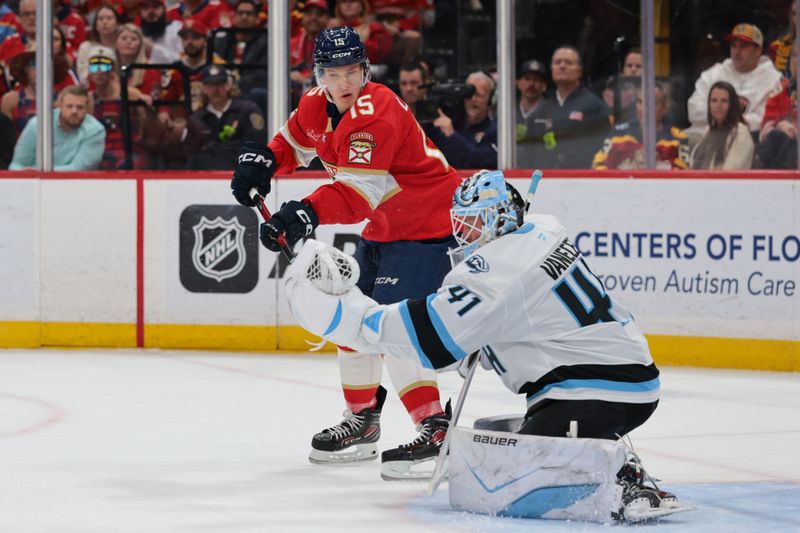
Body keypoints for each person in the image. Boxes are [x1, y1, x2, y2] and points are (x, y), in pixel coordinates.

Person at [283, 169, 684, 523]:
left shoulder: (499, 270)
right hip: (623, 374)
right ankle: (599, 446)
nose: (464, 234)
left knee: (505, 481)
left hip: (594, 389)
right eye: (462, 223)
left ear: (500, 220)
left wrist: (345, 316)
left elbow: (429, 340)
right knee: (496, 438)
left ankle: (621, 480)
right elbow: (514, 321)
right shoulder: (542, 228)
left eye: (474, 223)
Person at [229, 26, 462, 480]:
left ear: (365, 70)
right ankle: (363, 420)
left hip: (429, 224)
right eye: (333, 73)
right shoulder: (317, 103)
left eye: (352, 71)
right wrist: (260, 164)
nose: (344, 83)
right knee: (350, 316)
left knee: (393, 325)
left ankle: (434, 426)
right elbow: (291, 145)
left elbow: (359, 194)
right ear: (319, 74)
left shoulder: (379, 111)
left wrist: (304, 213)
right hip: (387, 227)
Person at [687, 23, 782, 142]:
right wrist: (726, 118)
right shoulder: (714, 73)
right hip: (703, 136)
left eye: (743, 46)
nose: (737, 51)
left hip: (745, 141)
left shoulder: (773, 79)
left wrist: (725, 119)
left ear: (758, 50)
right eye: (734, 46)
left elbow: (764, 118)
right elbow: (693, 109)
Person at [527, 45, 611, 169]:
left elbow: (602, 148)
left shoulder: (594, 106)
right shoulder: (541, 109)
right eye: (557, 62)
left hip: (581, 178)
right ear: (552, 69)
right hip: (544, 180)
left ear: (579, 71)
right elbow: (529, 151)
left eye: (568, 62)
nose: (562, 66)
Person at [183, 65, 266, 169]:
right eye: (211, 85)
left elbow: (257, 143)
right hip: (207, 176)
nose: (216, 89)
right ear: (204, 88)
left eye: (220, 84)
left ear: (228, 85)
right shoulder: (196, 119)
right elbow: (192, 154)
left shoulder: (247, 111)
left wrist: (216, 149)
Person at [592, 83, 689, 170]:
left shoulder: (677, 138)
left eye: (652, 103)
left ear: (664, 108)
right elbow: (598, 164)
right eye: (640, 102)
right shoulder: (618, 135)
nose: (644, 108)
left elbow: (683, 173)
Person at [10, 85, 105, 170]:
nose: (74, 111)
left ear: (86, 109)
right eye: (69, 106)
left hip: (76, 186)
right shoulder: (37, 124)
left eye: (80, 107)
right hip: (34, 184)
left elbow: (78, 169)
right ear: (60, 106)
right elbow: (16, 164)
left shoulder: (96, 130)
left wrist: (38, 172)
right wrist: (24, 173)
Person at [427, 70, 498, 169]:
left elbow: (482, 161)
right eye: (469, 94)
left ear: (490, 99)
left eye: (479, 95)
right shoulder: (448, 122)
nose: (473, 99)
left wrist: (452, 135)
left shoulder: (496, 131)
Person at [690, 81, 753, 170]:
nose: (718, 105)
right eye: (714, 101)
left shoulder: (741, 132)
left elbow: (730, 172)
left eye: (724, 101)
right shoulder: (708, 130)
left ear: (732, 105)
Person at [75, 4, 121, 83]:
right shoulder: (86, 47)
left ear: (117, 24)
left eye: (109, 18)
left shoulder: (122, 46)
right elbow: (83, 76)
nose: (104, 22)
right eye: (100, 19)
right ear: (95, 25)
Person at [515, 59, 547, 168]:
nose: (531, 84)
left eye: (536, 80)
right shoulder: (507, 113)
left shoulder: (552, 112)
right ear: (518, 83)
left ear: (544, 86)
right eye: (527, 79)